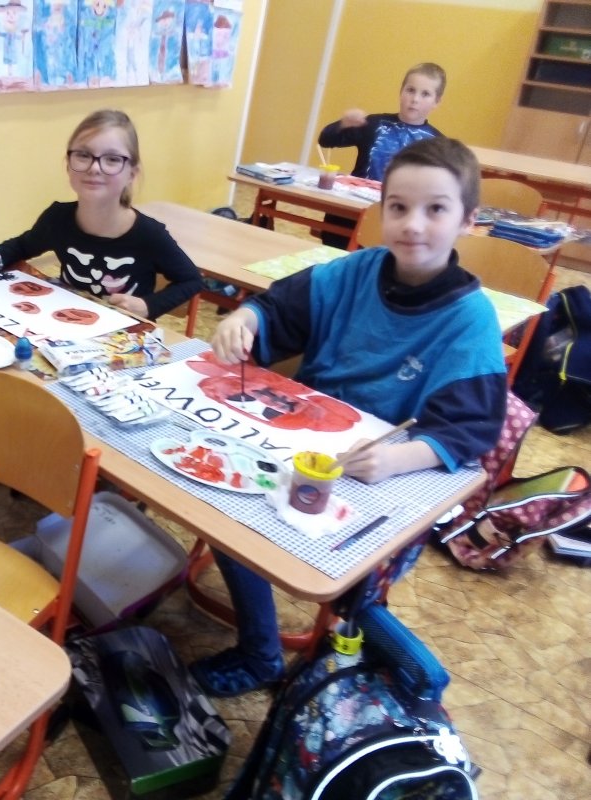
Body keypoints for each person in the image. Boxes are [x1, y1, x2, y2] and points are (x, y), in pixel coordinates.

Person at [192, 137, 507, 697]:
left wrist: (395, 459)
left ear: (468, 221)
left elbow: (469, 429)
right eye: (398, 207)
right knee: (225, 502)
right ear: (381, 210)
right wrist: (245, 318)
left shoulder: (470, 318)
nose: (413, 224)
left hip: (388, 473)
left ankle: (340, 646)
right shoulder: (356, 271)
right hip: (306, 442)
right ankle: (262, 653)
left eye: (436, 209)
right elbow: (279, 307)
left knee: (344, 576)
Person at [0, 109, 203, 321]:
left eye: (112, 159)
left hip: (124, 339)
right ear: (68, 164)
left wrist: (148, 306)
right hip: (65, 327)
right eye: (83, 155)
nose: (94, 168)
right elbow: (22, 246)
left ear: (132, 173)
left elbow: (191, 281)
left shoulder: (149, 235)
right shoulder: (58, 218)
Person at [317, 62, 446, 247]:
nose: (415, 99)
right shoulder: (373, 124)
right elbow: (326, 140)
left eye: (425, 94)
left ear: (437, 102)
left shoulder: (438, 144)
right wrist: (343, 124)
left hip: (398, 222)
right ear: (401, 92)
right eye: (410, 90)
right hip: (352, 214)